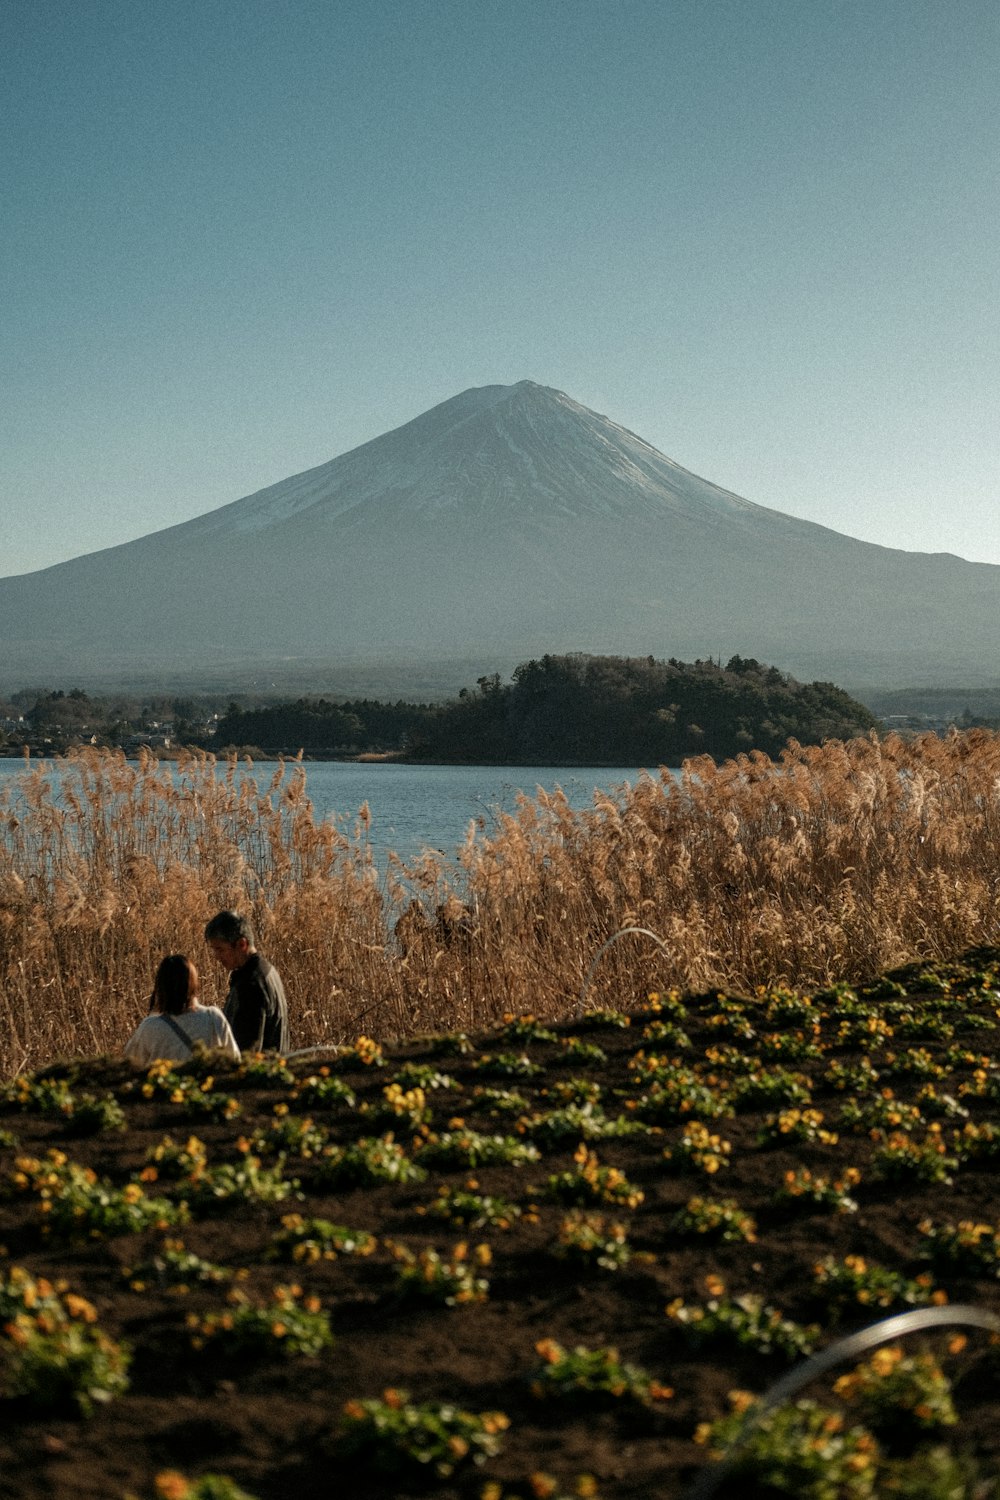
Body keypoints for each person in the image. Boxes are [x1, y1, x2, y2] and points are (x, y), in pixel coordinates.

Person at [125, 954, 240, 1066]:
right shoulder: (213, 1018)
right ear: (194, 983)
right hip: (207, 1084)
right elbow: (236, 1062)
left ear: (161, 987)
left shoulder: (150, 1028)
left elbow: (129, 1067)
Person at [204, 910, 290, 1054]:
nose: (216, 957)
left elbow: (247, 1049)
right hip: (274, 1069)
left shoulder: (251, 984)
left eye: (220, 949)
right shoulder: (266, 971)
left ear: (242, 944)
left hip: (259, 1073)